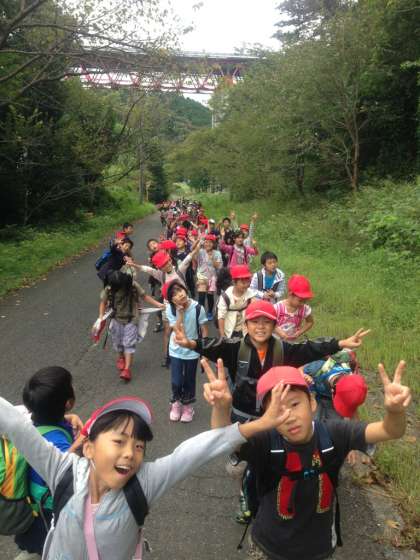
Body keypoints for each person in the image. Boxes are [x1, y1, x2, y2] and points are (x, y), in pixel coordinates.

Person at [0, 384, 300, 558]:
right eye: (119, 441)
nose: (130, 453)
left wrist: (261, 424)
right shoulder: (62, 470)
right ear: (88, 448)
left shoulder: (144, 482)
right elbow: (15, 424)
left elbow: (194, 451)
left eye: (139, 446)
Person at [203, 359, 411, 560]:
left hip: (319, 548)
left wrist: (395, 412)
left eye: (295, 404)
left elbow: (389, 431)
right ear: (266, 416)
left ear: (312, 402)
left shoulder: (334, 433)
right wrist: (221, 408)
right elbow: (223, 442)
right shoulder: (264, 440)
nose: (289, 416)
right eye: (276, 410)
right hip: (267, 546)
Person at [173, 299, 370, 424]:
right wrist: (191, 343)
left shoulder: (283, 350)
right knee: (240, 458)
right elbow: (213, 345)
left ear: (275, 325)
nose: (260, 327)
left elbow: (309, 348)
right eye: (255, 322)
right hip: (241, 413)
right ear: (246, 325)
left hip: (273, 413)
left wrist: (340, 343)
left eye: (266, 322)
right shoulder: (235, 347)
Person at [14, 367, 77, 557]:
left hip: (30, 507)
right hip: (47, 516)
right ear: (68, 403)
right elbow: (74, 475)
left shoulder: (24, 420)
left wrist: (69, 419)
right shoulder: (57, 444)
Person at [134, 243, 199, 367]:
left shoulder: (180, 270)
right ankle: (166, 356)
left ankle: (189, 351)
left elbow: (189, 257)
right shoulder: (161, 275)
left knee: (186, 328)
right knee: (168, 331)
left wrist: (198, 244)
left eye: (167, 261)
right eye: (163, 265)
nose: (167, 264)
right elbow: (148, 270)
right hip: (168, 306)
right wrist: (135, 265)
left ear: (170, 259)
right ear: (160, 267)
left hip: (184, 304)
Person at [99, 270, 164, 381]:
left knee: (129, 343)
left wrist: (159, 305)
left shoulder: (133, 286)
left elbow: (144, 296)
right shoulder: (109, 288)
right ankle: (121, 357)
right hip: (116, 319)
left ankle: (127, 370)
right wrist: (101, 316)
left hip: (132, 319)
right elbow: (103, 302)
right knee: (118, 342)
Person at [164, 280, 209, 422]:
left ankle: (188, 406)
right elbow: (176, 331)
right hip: (176, 349)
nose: (180, 294)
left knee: (189, 380)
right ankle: (176, 403)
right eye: (175, 294)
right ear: (171, 299)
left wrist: (205, 352)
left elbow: (204, 330)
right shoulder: (170, 309)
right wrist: (180, 314)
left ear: (185, 289)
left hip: (192, 350)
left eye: (180, 290)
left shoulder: (198, 308)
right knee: (176, 380)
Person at [217, 264, 256, 338]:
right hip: (229, 332)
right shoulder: (225, 297)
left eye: (248, 282)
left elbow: (255, 310)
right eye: (243, 283)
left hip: (245, 331)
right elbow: (221, 317)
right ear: (234, 282)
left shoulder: (250, 295)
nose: (246, 285)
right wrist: (222, 335)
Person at [274, 274, 314, 341]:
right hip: (275, 341)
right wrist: (281, 333)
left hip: (291, 342)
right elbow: (270, 323)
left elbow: (310, 322)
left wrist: (299, 332)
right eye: (300, 301)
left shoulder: (304, 309)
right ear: (290, 294)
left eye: (305, 301)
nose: (302, 304)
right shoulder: (277, 308)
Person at [195, 234, 223, 321]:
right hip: (202, 277)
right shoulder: (201, 251)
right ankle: (201, 313)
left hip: (212, 278)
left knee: (210, 296)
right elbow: (193, 251)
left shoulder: (217, 253)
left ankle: (210, 312)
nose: (208, 244)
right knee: (201, 296)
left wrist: (212, 259)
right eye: (206, 242)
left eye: (210, 242)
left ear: (213, 244)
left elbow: (219, 267)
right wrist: (198, 242)